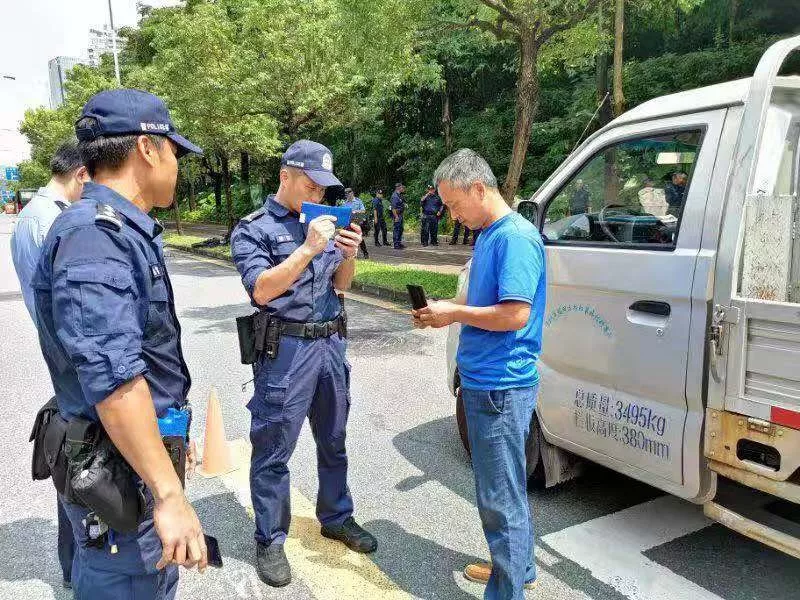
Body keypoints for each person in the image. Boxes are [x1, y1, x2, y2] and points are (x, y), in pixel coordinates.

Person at [31, 89, 208, 600]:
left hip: (133, 457)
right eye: (174, 151)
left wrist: (171, 434)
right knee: (132, 582)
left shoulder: (119, 230)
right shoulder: (96, 236)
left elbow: (146, 362)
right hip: (118, 474)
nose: (177, 165)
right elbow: (114, 380)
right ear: (148, 148)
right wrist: (168, 492)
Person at [231, 140, 377, 588]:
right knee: (274, 447)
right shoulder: (254, 229)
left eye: (323, 189)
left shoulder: (326, 224)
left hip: (330, 344)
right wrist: (308, 248)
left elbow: (341, 285)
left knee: (334, 439)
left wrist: (348, 255)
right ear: (285, 177)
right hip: (286, 352)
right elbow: (261, 290)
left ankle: (336, 516)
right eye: (310, 186)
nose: (318, 195)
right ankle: (270, 539)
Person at [412, 149, 546, 600]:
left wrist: (453, 314)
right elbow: (485, 303)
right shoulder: (490, 234)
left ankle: (507, 590)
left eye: (454, 204)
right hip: (486, 381)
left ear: (478, 188)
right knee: (505, 490)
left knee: (499, 497)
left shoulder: (516, 238)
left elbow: (514, 315)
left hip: (500, 385)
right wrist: (445, 310)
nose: (452, 215)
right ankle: (518, 569)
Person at [10, 139, 88, 589]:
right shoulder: (52, 220)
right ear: (81, 174)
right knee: (82, 458)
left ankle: (73, 565)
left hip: (58, 349)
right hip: (69, 354)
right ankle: (79, 568)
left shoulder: (33, 216)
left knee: (77, 458)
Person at [341, 187, 369, 259]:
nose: (347, 195)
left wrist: (355, 211)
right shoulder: (344, 203)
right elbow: (342, 212)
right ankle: (348, 254)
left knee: (359, 238)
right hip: (347, 223)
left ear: (352, 193)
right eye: (346, 194)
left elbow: (363, 211)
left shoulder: (358, 201)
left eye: (348, 193)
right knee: (347, 237)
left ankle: (365, 253)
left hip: (356, 222)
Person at [390, 182, 406, 249]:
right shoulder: (395, 196)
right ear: (398, 188)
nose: (403, 188)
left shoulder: (399, 195)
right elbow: (393, 208)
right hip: (397, 215)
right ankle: (396, 244)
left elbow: (400, 204)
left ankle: (399, 243)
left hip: (400, 214)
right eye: (402, 187)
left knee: (400, 229)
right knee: (397, 229)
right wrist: (396, 216)